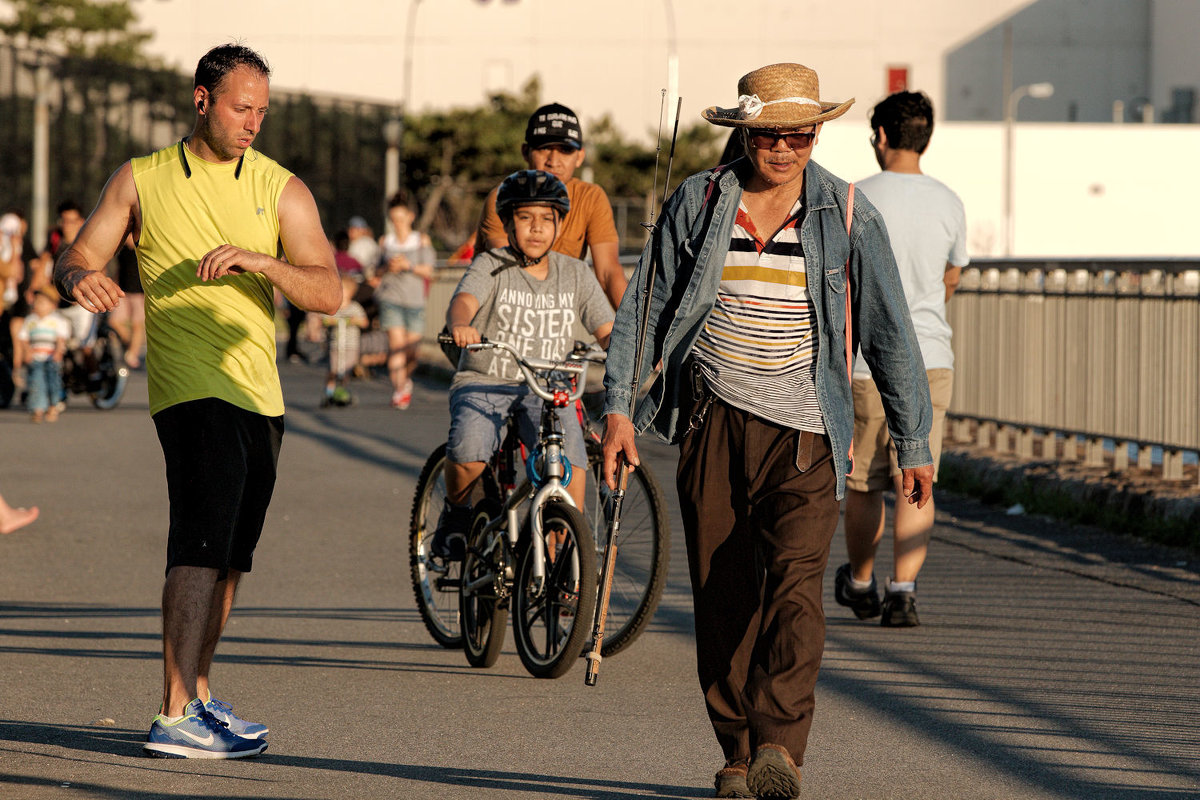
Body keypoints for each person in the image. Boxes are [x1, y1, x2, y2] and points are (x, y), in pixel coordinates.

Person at [600, 64, 934, 799]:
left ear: (817, 134)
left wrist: (913, 443)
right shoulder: (698, 201)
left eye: (800, 134)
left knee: (796, 590)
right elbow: (645, 311)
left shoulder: (846, 214)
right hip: (714, 418)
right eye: (769, 134)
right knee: (723, 597)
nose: (783, 148)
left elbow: (890, 334)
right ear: (744, 133)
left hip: (808, 430)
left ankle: (780, 743)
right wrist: (619, 407)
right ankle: (737, 749)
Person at [52, 43, 340, 759]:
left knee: (233, 554)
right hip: (189, 386)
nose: (253, 123)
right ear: (201, 99)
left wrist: (262, 260)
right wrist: (75, 278)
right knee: (200, 541)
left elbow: (329, 291)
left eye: (263, 112)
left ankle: (200, 694)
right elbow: (78, 255)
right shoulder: (141, 179)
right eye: (242, 108)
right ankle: (174, 711)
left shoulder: (281, 187)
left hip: (259, 392)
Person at [835, 91, 969, 629]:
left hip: (868, 360)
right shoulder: (949, 201)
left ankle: (862, 583)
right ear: (925, 138)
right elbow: (951, 277)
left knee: (865, 480)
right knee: (917, 474)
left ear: (883, 137)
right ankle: (904, 590)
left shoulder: (853, 197)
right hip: (931, 356)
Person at [434, 169, 613, 557]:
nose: (536, 229)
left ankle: (564, 559)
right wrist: (462, 324)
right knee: (469, 445)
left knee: (570, 465)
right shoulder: (491, 264)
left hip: (549, 387)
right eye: (525, 218)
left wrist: (622, 350)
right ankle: (457, 512)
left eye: (547, 219)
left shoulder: (575, 273)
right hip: (487, 379)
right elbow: (464, 300)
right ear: (509, 223)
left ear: (560, 224)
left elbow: (605, 326)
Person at [475, 103, 627, 309]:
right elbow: (507, 270)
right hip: (499, 316)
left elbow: (608, 273)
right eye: (544, 148)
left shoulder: (591, 197)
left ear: (580, 157)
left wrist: (636, 331)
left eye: (565, 150)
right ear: (525, 152)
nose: (553, 161)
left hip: (554, 324)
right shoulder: (503, 197)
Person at [376, 191, 434, 409]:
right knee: (396, 346)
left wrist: (407, 266)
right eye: (393, 220)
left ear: (410, 217)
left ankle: (405, 382)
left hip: (415, 301)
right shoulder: (385, 242)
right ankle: (400, 390)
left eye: (400, 219)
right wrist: (387, 268)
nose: (397, 224)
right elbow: (375, 272)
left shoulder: (421, 241)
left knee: (412, 351)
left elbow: (429, 270)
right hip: (391, 298)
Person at [18, 285, 69, 423]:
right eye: (36, 301)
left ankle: (53, 406)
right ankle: (38, 410)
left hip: (51, 358)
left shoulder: (57, 320)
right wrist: (27, 352)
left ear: (52, 305)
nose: (38, 305)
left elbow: (60, 339)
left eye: (42, 302)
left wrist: (58, 352)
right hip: (35, 358)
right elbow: (23, 338)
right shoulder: (30, 320)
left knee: (54, 383)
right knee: (36, 383)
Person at [321, 275, 368, 407]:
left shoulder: (355, 307)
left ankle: (341, 390)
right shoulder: (333, 306)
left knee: (346, 370)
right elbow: (324, 319)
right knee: (333, 370)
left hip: (350, 345)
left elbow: (364, 322)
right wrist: (329, 321)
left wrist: (354, 320)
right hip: (336, 345)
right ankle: (329, 392)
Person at [108, 235, 146, 369]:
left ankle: (132, 355)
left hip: (139, 293)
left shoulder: (142, 250)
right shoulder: (123, 251)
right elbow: (119, 270)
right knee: (114, 321)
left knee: (137, 325)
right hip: (123, 291)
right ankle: (131, 344)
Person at [346, 215, 381, 281]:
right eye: (350, 228)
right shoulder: (350, 244)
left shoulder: (367, 243)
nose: (350, 231)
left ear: (362, 230)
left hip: (363, 279)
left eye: (354, 229)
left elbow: (366, 265)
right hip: (351, 279)